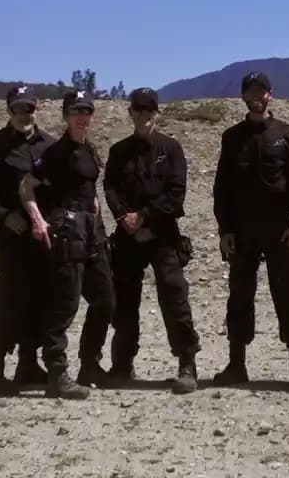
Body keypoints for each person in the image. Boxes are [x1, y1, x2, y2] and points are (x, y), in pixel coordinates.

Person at [212, 72, 289, 392]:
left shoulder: (287, 135)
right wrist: (225, 229)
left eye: (261, 91)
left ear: (271, 94)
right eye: (250, 91)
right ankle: (236, 364)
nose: (256, 96)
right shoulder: (232, 137)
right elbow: (222, 188)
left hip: (280, 230)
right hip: (242, 231)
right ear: (243, 96)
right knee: (239, 297)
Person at [105, 88, 201, 394]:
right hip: (127, 236)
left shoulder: (171, 149)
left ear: (156, 113)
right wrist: (125, 219)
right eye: (139, 110)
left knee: (174, 298)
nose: (144, 116)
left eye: (150, 110)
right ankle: (122, 363)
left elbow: (176, 194)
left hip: (162, 235)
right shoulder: (119, 151)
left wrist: (144, 217)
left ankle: (187, 363)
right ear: (130, 112)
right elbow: (111, 189)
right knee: (123, 300)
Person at [20, 89, 115, 399]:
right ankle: (57, 374)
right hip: (67, 232)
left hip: (92, 232)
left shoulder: (91, 150)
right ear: (65, 115)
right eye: (76, 111)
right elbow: (27, 187)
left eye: (86, 111)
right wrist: (38, 220)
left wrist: (99, 221)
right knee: (64, 305)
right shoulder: (53, 153)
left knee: (105, 300)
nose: (81, 116)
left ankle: (89, 364)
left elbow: (91, 190)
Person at [0, 84, 55, 395]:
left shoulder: (50, 146)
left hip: (42, 235)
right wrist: (4, 215)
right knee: (8, 300)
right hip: (10, 236)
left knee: (40, 300)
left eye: (29, 108)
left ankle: (29, 363)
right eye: (17, 108)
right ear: (8, 110)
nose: (24, 114)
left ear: (37, 109)